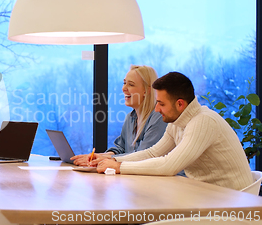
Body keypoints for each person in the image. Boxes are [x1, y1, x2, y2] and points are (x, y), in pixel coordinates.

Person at [93, 72, 253, 191]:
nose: (156, 109)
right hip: (207, 194)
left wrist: (120, 167)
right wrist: (116, 162)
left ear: (180, 104)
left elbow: (169, 165)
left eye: (161, 104)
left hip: (233, 204)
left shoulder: (203, 121)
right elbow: (153, 153)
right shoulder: (177, 122)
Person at [71, 65, 168, 165]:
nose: (124, 88)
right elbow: (120, 148)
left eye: (131, 84)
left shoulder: (159, 117)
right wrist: (99, 157)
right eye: (124, 83)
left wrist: (106, 159)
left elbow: (143, 156)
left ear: (147, 90)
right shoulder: (130, 118)